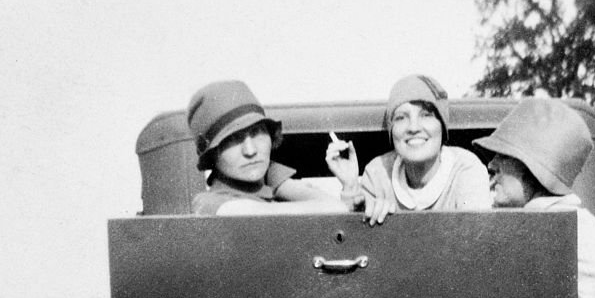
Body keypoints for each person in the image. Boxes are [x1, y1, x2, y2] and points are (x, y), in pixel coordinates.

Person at [473, 98, 595, 298]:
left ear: (535, 167)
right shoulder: (515, 223)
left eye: (505, 155)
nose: (491, 164)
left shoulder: (583, 235)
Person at [325, 74, 490, 225]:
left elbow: (475, 240)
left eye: (426, 115)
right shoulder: (377, 173)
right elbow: (355, 243)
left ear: (442, 126)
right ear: (392, 131)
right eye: (401, 118)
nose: (413, 127)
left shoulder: (465, 170)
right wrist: (351, 188)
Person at [187, 80, 347, 216]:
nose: (250, 151)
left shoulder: (267, 186)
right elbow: (336, 208)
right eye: (232, 139)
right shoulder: (210, 203)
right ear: (213, 154)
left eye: (257, 132)